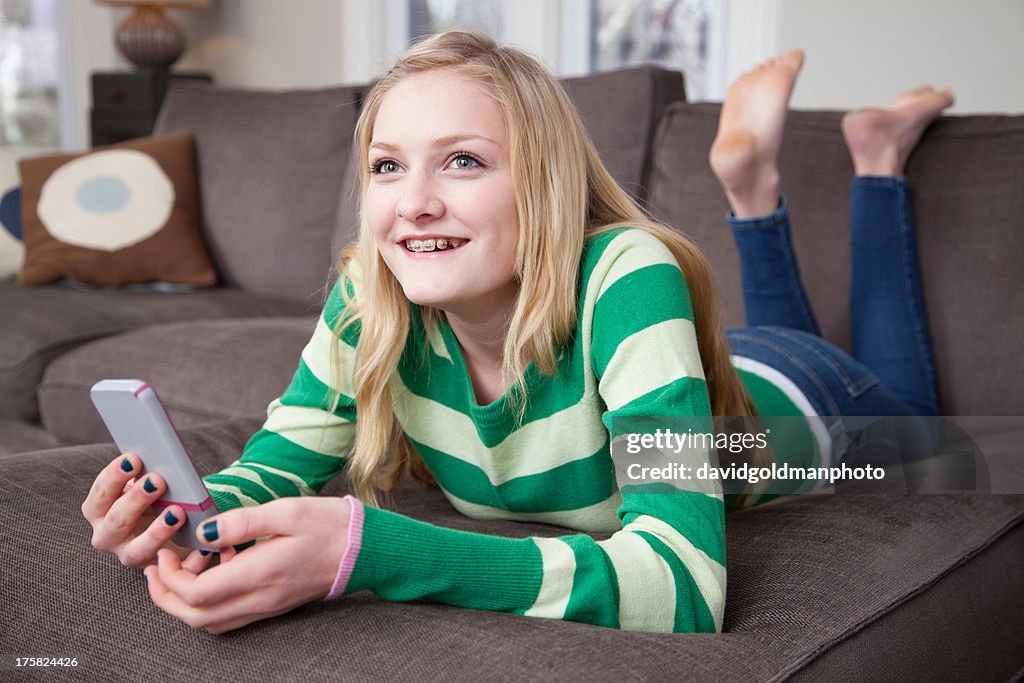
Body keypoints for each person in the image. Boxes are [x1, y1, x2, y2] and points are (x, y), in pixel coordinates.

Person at [81, 33, 951, 635]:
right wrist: (185, 512)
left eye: (463, 160)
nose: (412, 202)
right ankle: (755, 190)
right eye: (387, 165)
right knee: (774, 332)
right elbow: (274, 466)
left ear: (545, 190)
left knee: (910, 406)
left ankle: (871, 165)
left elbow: (685, 584)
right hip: (704, 365)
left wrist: (367, 548)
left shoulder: (628, 271)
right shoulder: (370, 290)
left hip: (801, 408)